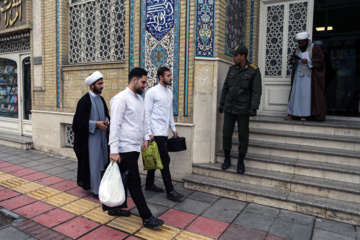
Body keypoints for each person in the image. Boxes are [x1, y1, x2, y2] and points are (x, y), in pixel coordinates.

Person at [108, 67, 164, 229]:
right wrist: (114, 150)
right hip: (124, 148)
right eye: (143, 82)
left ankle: (115, 208)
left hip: (135, 147)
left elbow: (144, 120)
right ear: (134, 80)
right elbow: (115, 126)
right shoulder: (120, 99)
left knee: (123, 179)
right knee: (134, 182)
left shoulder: (139, 99)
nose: (144, 85)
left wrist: (146, 137)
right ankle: (147, 218)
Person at [218, 45, 262, 174]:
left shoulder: (253, 70)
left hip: (243, 109)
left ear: (243, 56)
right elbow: (225, 88)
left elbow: (256, 91)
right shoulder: (231, 69)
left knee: (243, 136)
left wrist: (254, 107)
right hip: (229, 107)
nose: (233, 57)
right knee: (226, 134)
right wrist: (222, 104)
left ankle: (240, 161)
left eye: (236, 55)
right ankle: (227, 159)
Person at [144, 67, 184, 202]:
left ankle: (149, 184)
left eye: (171, 75)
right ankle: (170, 190)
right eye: (168, 75)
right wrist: (148, 133)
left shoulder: (169, 93)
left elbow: (169, 112)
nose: (171, 78)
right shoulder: (151, 92)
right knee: (164, 160)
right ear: (160, 77)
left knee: (157, 158)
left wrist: (173, 128)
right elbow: (146, 113)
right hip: (155, 133)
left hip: (164, 131)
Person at [72, 71, 110, 199]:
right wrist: (95, 124)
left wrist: (106, 120)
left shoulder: (101, 99)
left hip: (102, 138)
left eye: (102, 83)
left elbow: (105, 114)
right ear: (92, 85)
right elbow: (77, 124)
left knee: (103, 162)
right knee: (94, 164)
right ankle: (96, 190)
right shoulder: (84, 101)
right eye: (99, 84)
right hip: (90, 140)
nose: (102, 86)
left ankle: (103, 187)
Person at [285, 32, 326, 121]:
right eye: (299, 43)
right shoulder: (297, 49)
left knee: (305, 95)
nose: (300, 45)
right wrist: (295, 60)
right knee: (295, 94)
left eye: (302, 43)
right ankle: (292, 113)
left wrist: (308, 61)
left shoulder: (315, 48)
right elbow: (292, 59)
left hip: (309, 76)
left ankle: (304, 115)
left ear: (307, 41)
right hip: (298, 76)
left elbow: (320, 60)